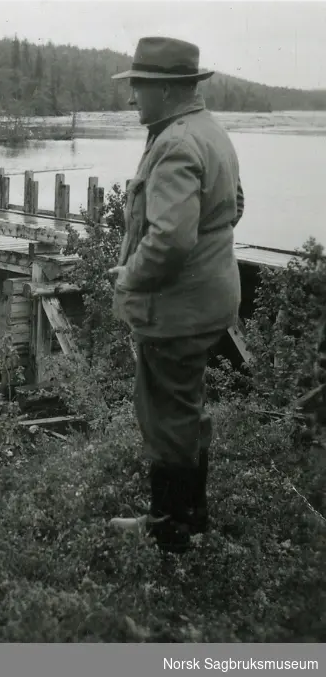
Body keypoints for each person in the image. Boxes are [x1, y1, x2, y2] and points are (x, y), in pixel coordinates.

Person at [106, 37, 245, 553]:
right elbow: (234, 203)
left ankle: (171, 531)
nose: (131, 98)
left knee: (165, 414)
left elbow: (168, 240)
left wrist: (130, 276)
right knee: (185, 407)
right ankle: (191, 519)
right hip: (204, 301)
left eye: (138, 86)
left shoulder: (175, 143)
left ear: (165, 89)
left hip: (176, 309)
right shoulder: (207, 131)